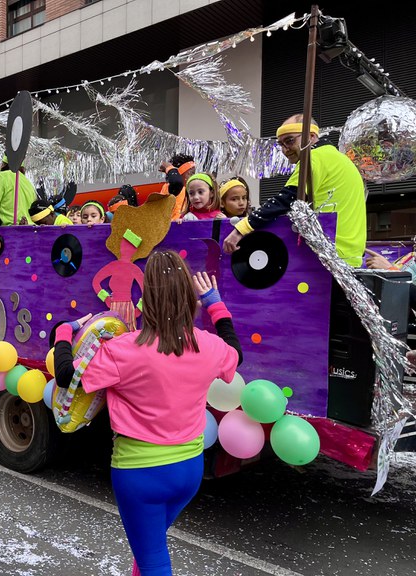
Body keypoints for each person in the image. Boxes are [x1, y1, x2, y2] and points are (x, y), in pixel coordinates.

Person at [54, 252, 242, 576]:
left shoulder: (122, 350)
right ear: (187, 295)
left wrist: (62, 332)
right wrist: (215, 304)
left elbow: (65, 377)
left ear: (147, 298)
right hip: (189, 471)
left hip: (141, 475)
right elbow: (236, 354)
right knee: (149, 550)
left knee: (154, 559)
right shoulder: (208, 346)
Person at [223, 114, 367, 266]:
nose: (285, 150)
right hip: (351, 257)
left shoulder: (314, 157)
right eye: (281, 144)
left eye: (290, 141)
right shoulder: (339, 159)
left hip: (331, 255)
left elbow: (287, 199)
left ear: (311, 136)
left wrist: (241, 229)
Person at [159, 154, 196, 220]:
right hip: (172, 228)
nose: (194, 177)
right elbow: (176, 181)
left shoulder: (192, 191)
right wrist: (170, 168)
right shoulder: (171, 187)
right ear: (180, 173)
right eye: (191, 173)